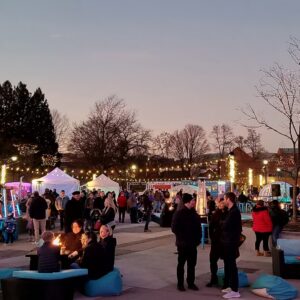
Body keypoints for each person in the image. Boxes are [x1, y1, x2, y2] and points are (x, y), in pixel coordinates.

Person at [171, 193, 202, 292]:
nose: (194, 201)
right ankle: (180, 284)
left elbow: (198, 228)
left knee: (192, 264)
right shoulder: (179, 213)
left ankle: (191, 283)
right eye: (193, 200)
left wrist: (197, 240)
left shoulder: (194, 214)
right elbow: (174, 228)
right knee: (181, 264)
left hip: (193, 244)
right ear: (188, 202)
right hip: (183, 244)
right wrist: (182, 238)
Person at [220, 192, 242, 299]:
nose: (224, 201)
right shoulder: (231, 211)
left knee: (232, 266)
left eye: (224, 199)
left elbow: (226, 225)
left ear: (228, 199)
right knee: (228, 265)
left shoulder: (234, 212)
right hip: (228, 241)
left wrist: (221, 223)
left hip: (231, 242)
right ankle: (230, 286)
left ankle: (235, 290)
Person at [206, 198, 228, 287]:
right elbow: (211, 227)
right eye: (220, 204)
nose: (221, 205)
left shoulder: (228, 213)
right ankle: (213, 278)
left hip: (225, 241)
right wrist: (212, 238)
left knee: (227, 262)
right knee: (213, 261)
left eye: (223, 204)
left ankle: (226, 281)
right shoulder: (216, 214)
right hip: (216, 241)